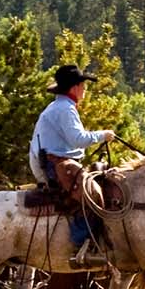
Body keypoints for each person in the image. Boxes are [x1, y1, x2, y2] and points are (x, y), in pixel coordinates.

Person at [29, 63, 115, 267]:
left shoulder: (57, 106)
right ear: (75, 88)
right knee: (91, 193)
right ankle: (83, 245)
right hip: (54, 163)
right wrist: (103, 135)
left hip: (52, 160)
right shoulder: (65, 109)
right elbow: (78, 139)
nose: (84, 90)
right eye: (82, 85)